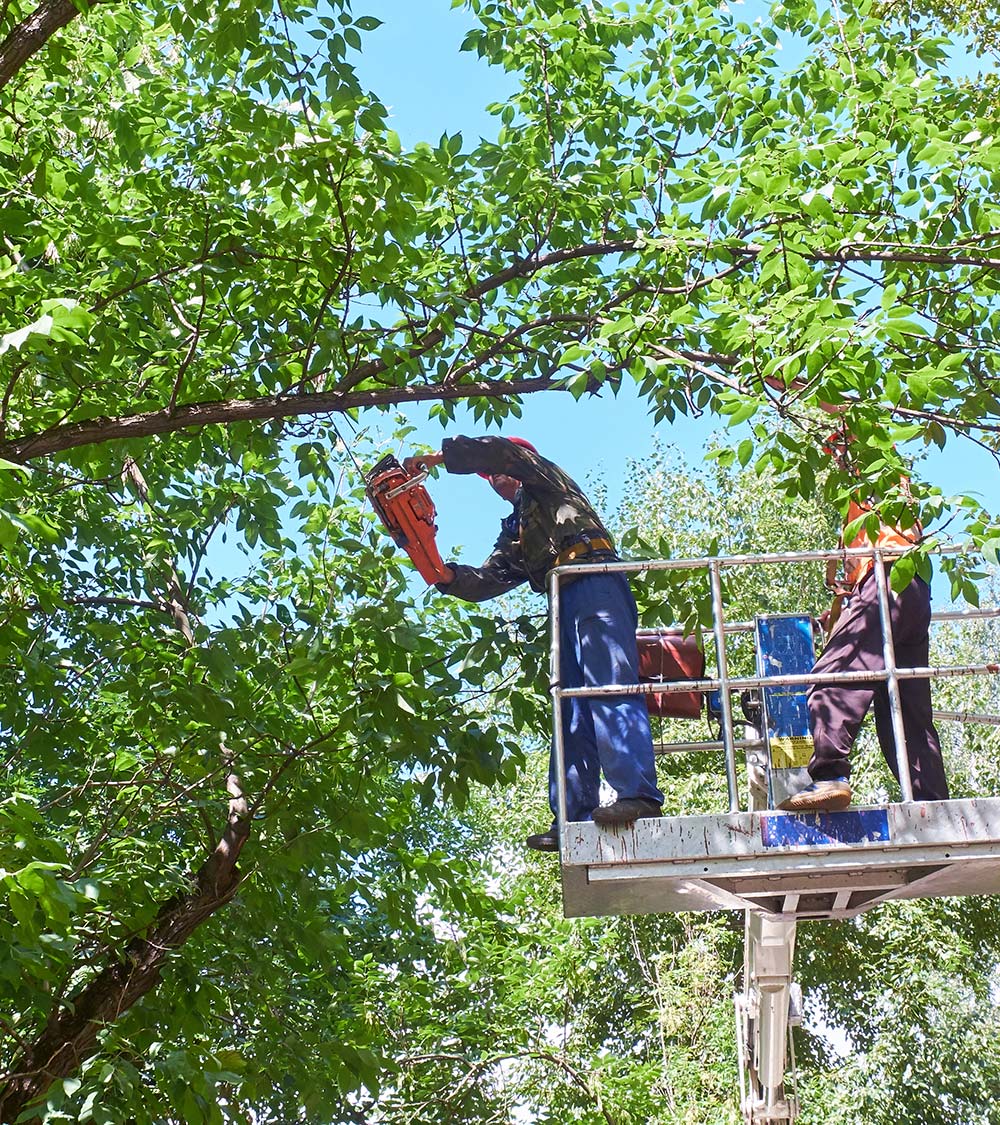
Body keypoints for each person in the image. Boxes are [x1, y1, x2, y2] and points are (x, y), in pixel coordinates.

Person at [403, 435, 664, 851]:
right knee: (569, 707)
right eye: (489, 475)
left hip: (595, 578)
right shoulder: (518, 528)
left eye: (498, 467)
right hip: (562, 598)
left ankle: (639, 796)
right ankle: (572, 818)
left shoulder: (546, 480)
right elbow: (491, 577)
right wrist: (442, 574)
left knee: (608, 683)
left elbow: (507, 455)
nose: (496, 476)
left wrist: (440, 457)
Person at [779, 430, 949, 812]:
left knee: (833, 678)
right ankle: (933, 804)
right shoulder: (864, 513)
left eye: (837, 448)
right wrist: (841, 611)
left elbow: (843, 403)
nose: (833, 456)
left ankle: (830, 777)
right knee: (904, 707)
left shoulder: (875, 456)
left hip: (887, 576)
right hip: (910, 589)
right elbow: (850, 588)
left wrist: (790, 376)